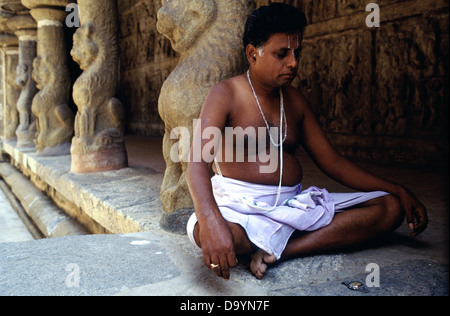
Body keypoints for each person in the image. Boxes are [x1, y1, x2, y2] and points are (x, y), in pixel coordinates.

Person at [185, 3, 428, 280]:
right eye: (282, 53)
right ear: (253, 54)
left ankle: (278, 251)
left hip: (293, 208)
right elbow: (195, 162)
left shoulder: (295, 100)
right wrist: (210, 220)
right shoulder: (225, 93)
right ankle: (263, 241)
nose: (293, 63)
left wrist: (397, 188)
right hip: (241, 209)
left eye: (296, 52)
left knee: (389, 207)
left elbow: (333, 162)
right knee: (215, 233)